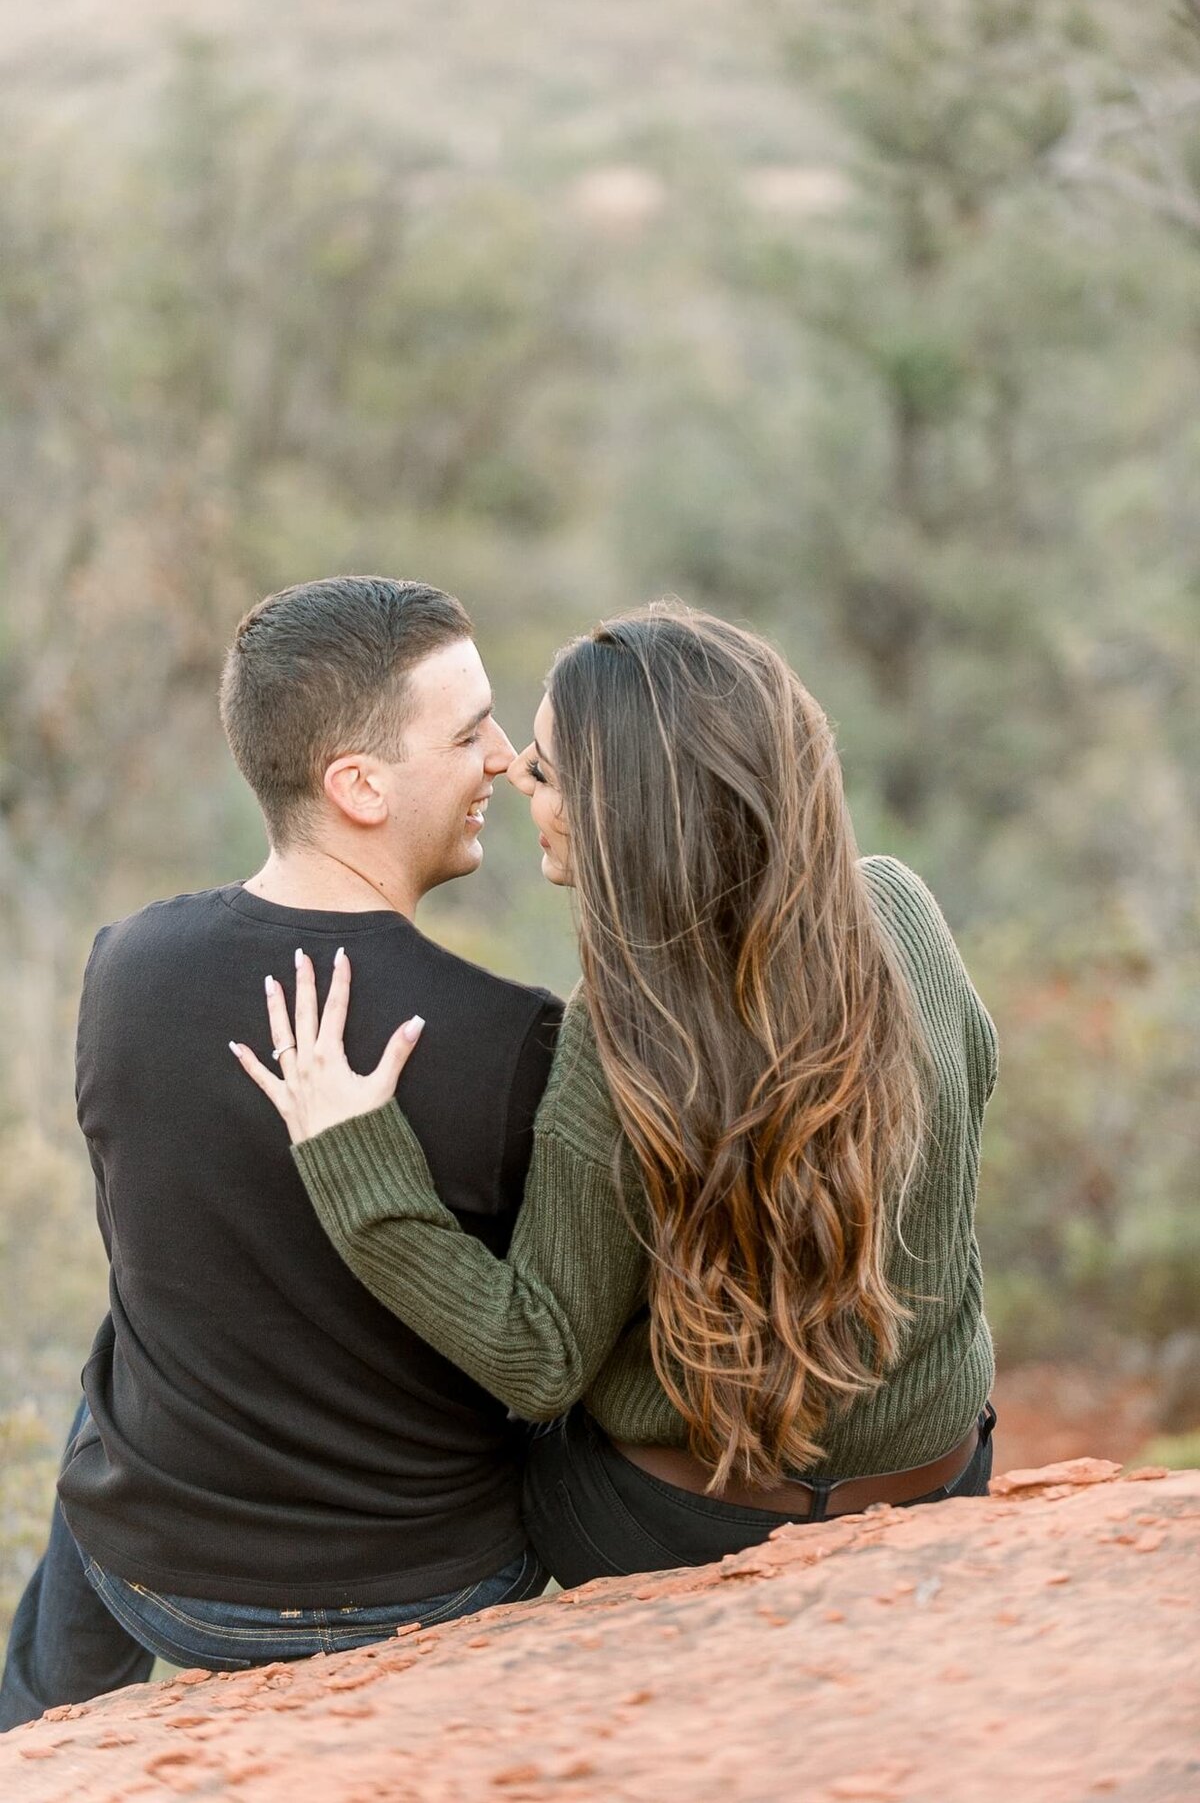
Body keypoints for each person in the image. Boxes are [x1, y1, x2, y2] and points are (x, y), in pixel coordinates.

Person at [235, 603, 998, 1586]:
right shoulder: (898, 909)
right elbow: (969, 1094)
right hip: (935, 1481)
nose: (512, 773)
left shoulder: (624, 1026)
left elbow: (537, 1354)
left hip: (687, 1524)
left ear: (628, 822)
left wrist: (354, 1152)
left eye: (546, 771)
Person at [0, 576, 560, 1731]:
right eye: (468, 732)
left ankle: (31, 1724)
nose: (504, 758)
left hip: (162, 1578)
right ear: (359, 786)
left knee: (137, 1317)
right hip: (428, 1589)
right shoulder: (514, 1040)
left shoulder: (124, 969)